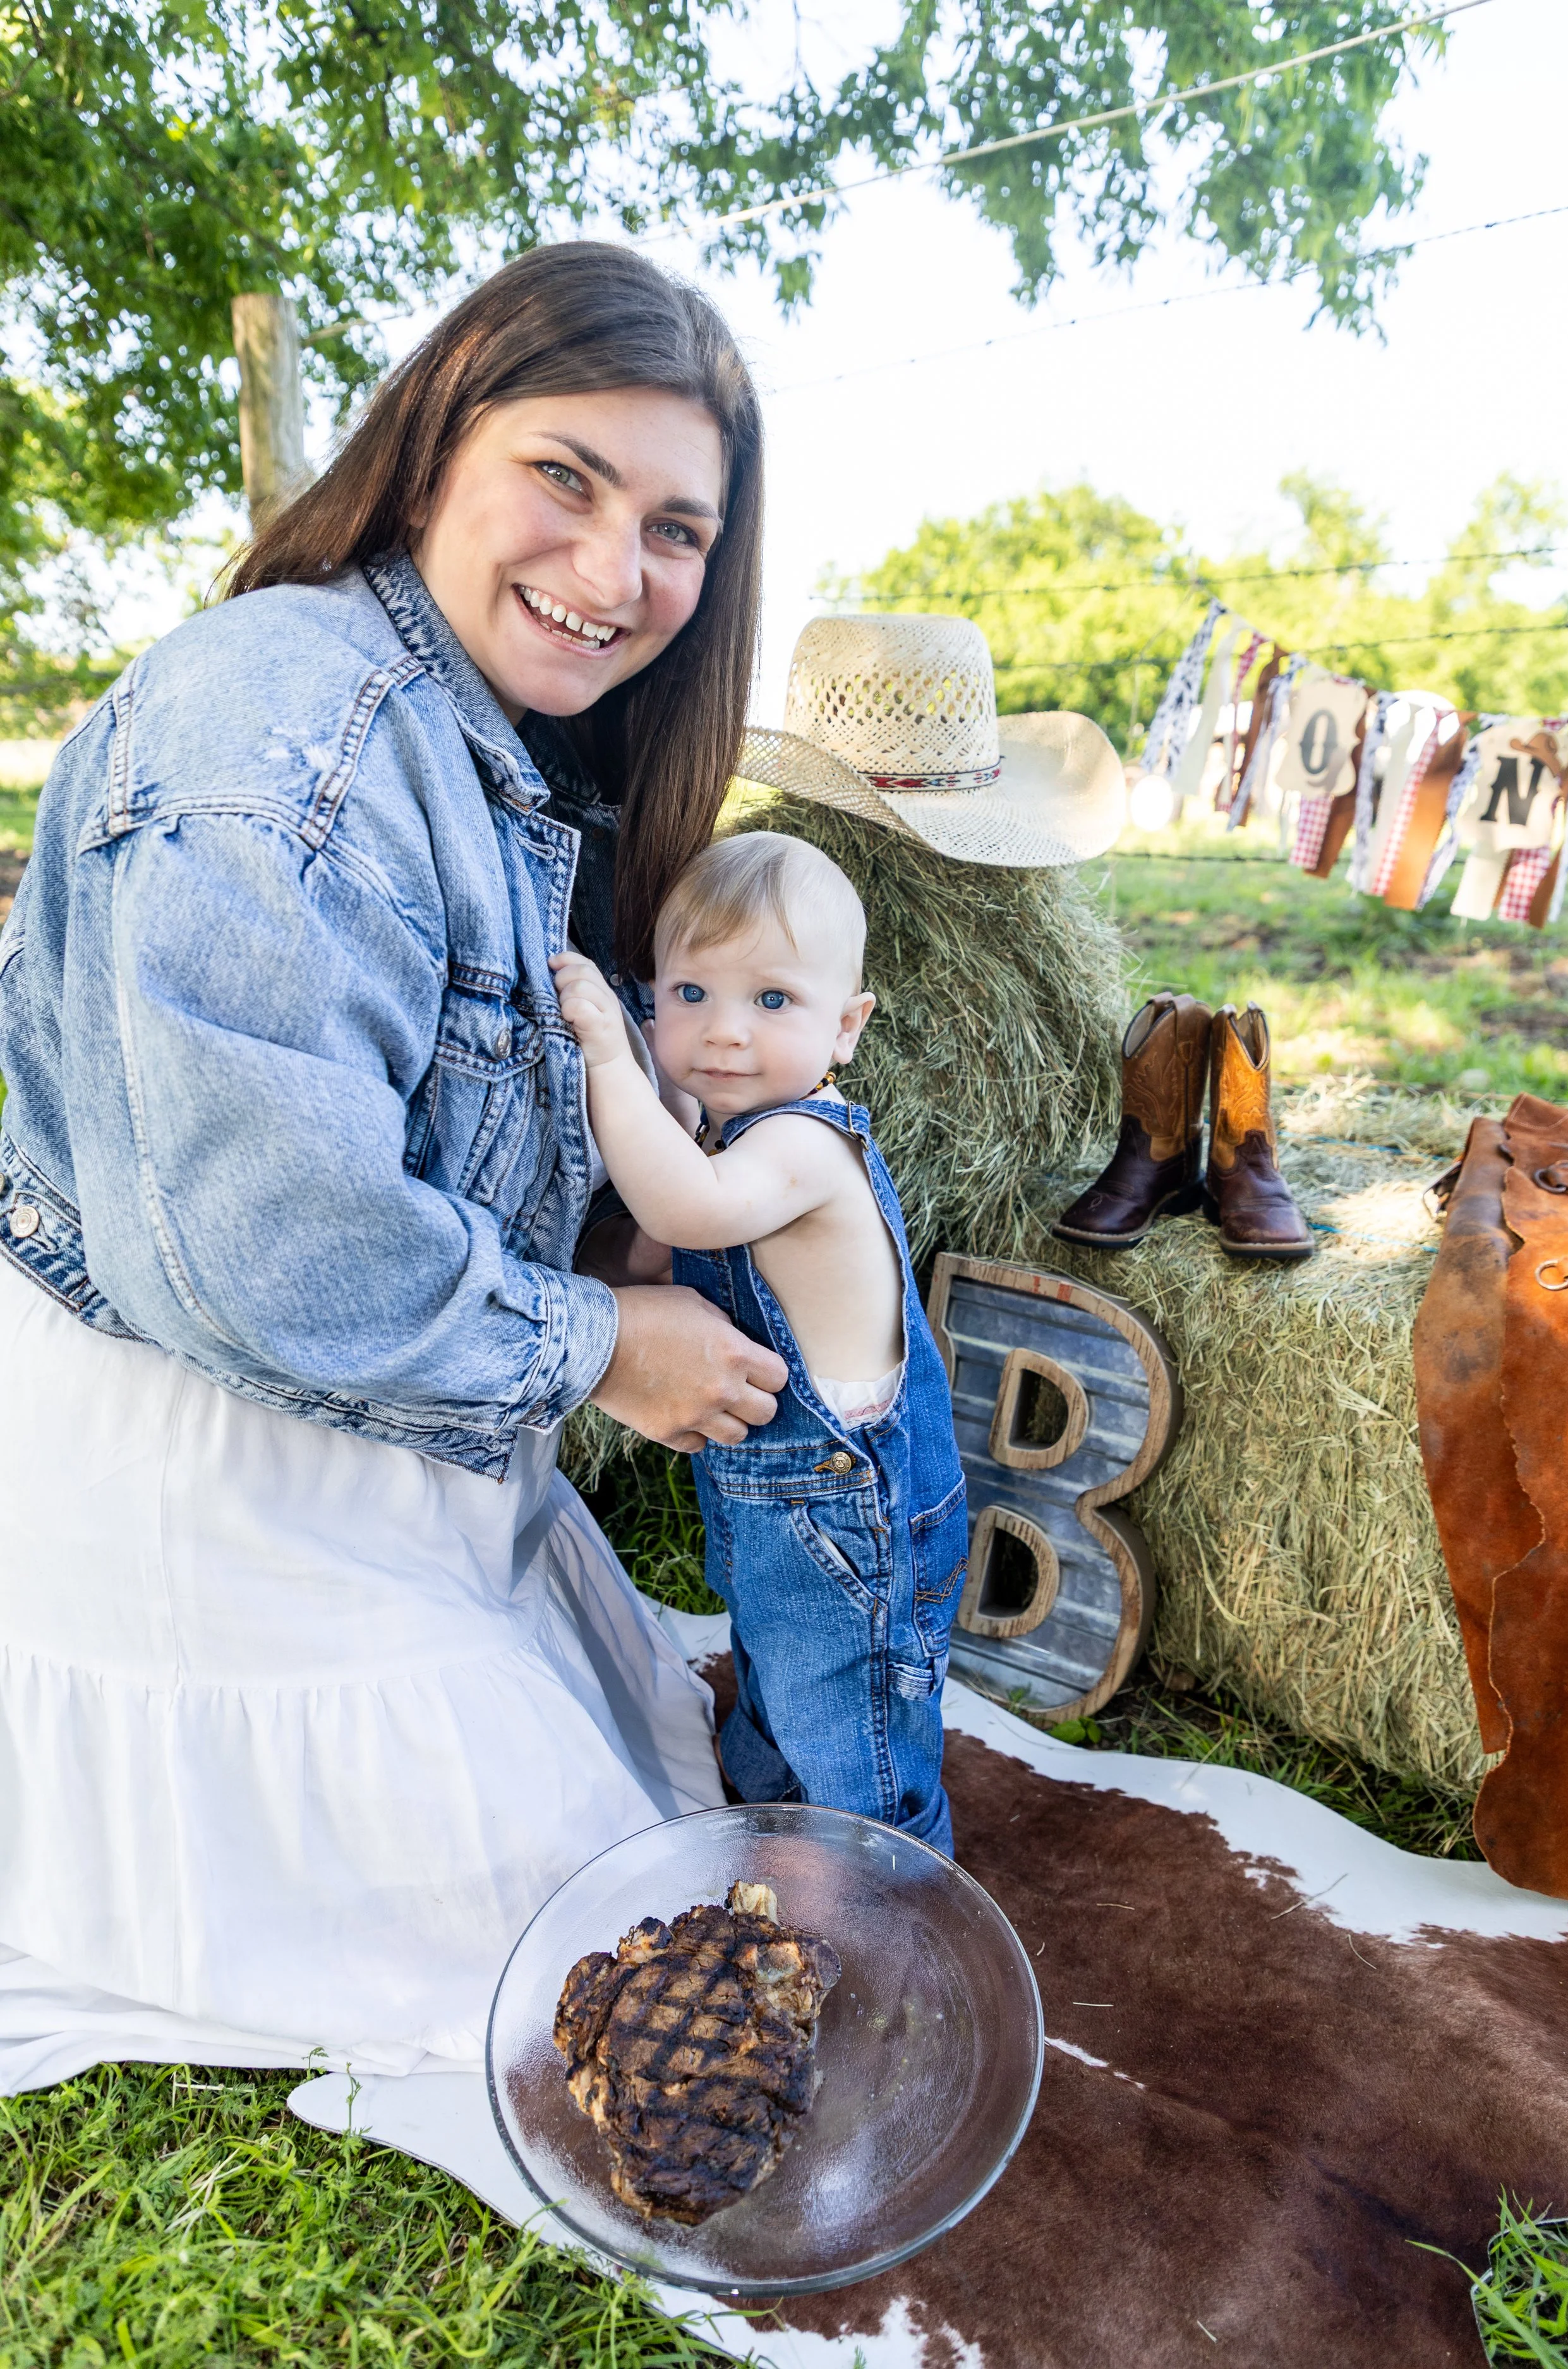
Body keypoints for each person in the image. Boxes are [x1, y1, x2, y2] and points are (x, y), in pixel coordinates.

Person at [0, 243, 793, 2093]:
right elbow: (256, 1252)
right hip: (181, 1429)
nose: (617, 576)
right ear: (437, 439)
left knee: (642, 1777)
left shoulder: (470, 726)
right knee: (582, 1952)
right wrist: (600, 1340)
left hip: (351, 1404)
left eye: (676, 528)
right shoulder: (287, 727)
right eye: (566, 480)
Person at [552, 831, 970, 1853]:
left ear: (847, 1026)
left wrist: (614, 1059)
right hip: (780, 1520)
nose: (725, 1032)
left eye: (772, 1001)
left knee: (856, 1753)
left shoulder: (802, 1147)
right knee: (777, 1694)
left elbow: (684, 1208)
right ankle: (771, 1852)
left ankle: (887, 1917)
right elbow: (651, 1253)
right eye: (691, 994)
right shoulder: (730, 1136)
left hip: (853, 1518)